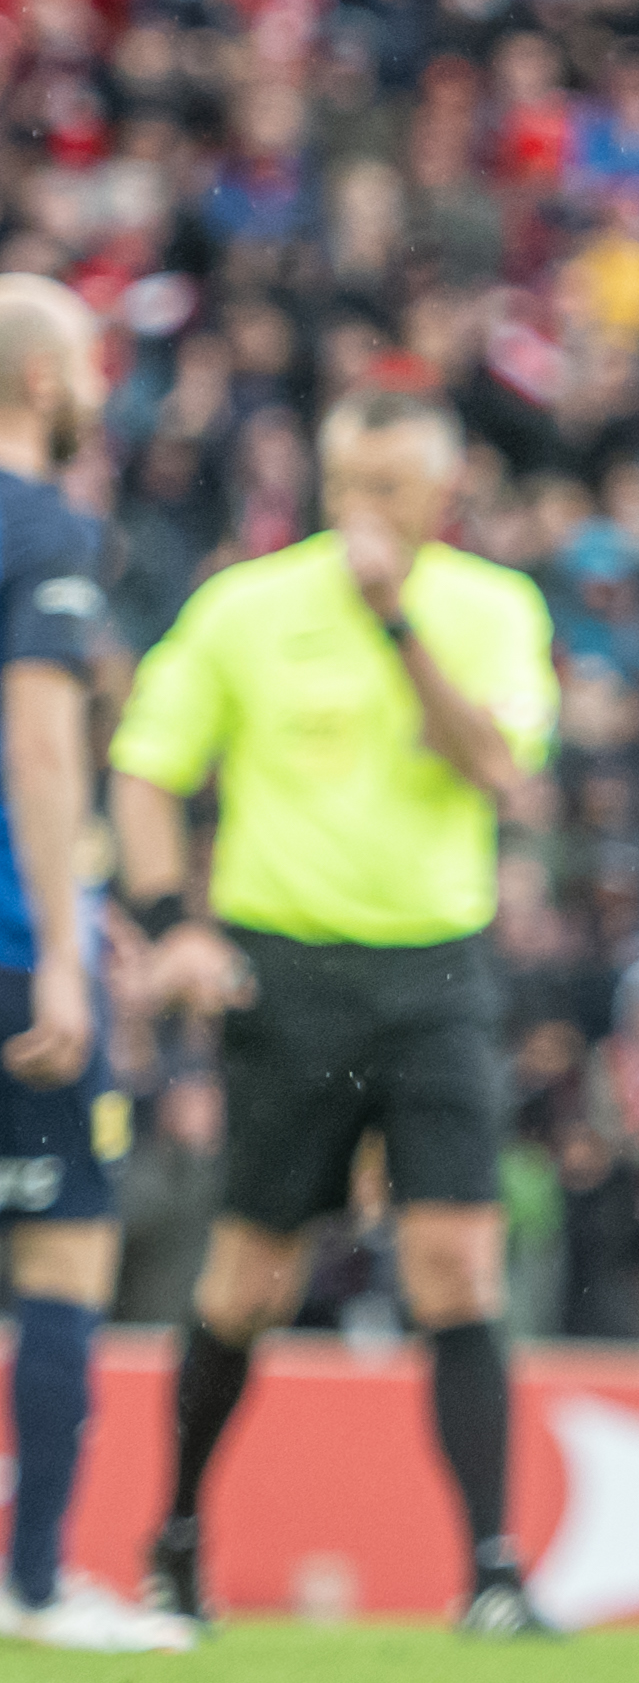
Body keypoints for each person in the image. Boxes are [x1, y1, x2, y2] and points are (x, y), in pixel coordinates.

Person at [110, 385, 560, 1637]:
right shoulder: (245, 607)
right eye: (353, 488)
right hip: (288, 971)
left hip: (438, 971)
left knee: (458, 1259)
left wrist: (395, 621)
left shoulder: (487, 608)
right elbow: (147, 770)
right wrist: (168, 927)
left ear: (441, 496)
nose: (372, 513)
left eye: (396, 491)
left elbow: (500, 770)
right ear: (324, 487)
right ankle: (178, 1538)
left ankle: (493, 1572)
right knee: (251, 1273)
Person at [0, 281, 189, 1652]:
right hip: (10, 946)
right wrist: (68, 941)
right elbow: (43, 747)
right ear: (47, 379)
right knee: (62, 1242)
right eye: (89, 362)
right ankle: (35, 1581)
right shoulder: (45, 529)